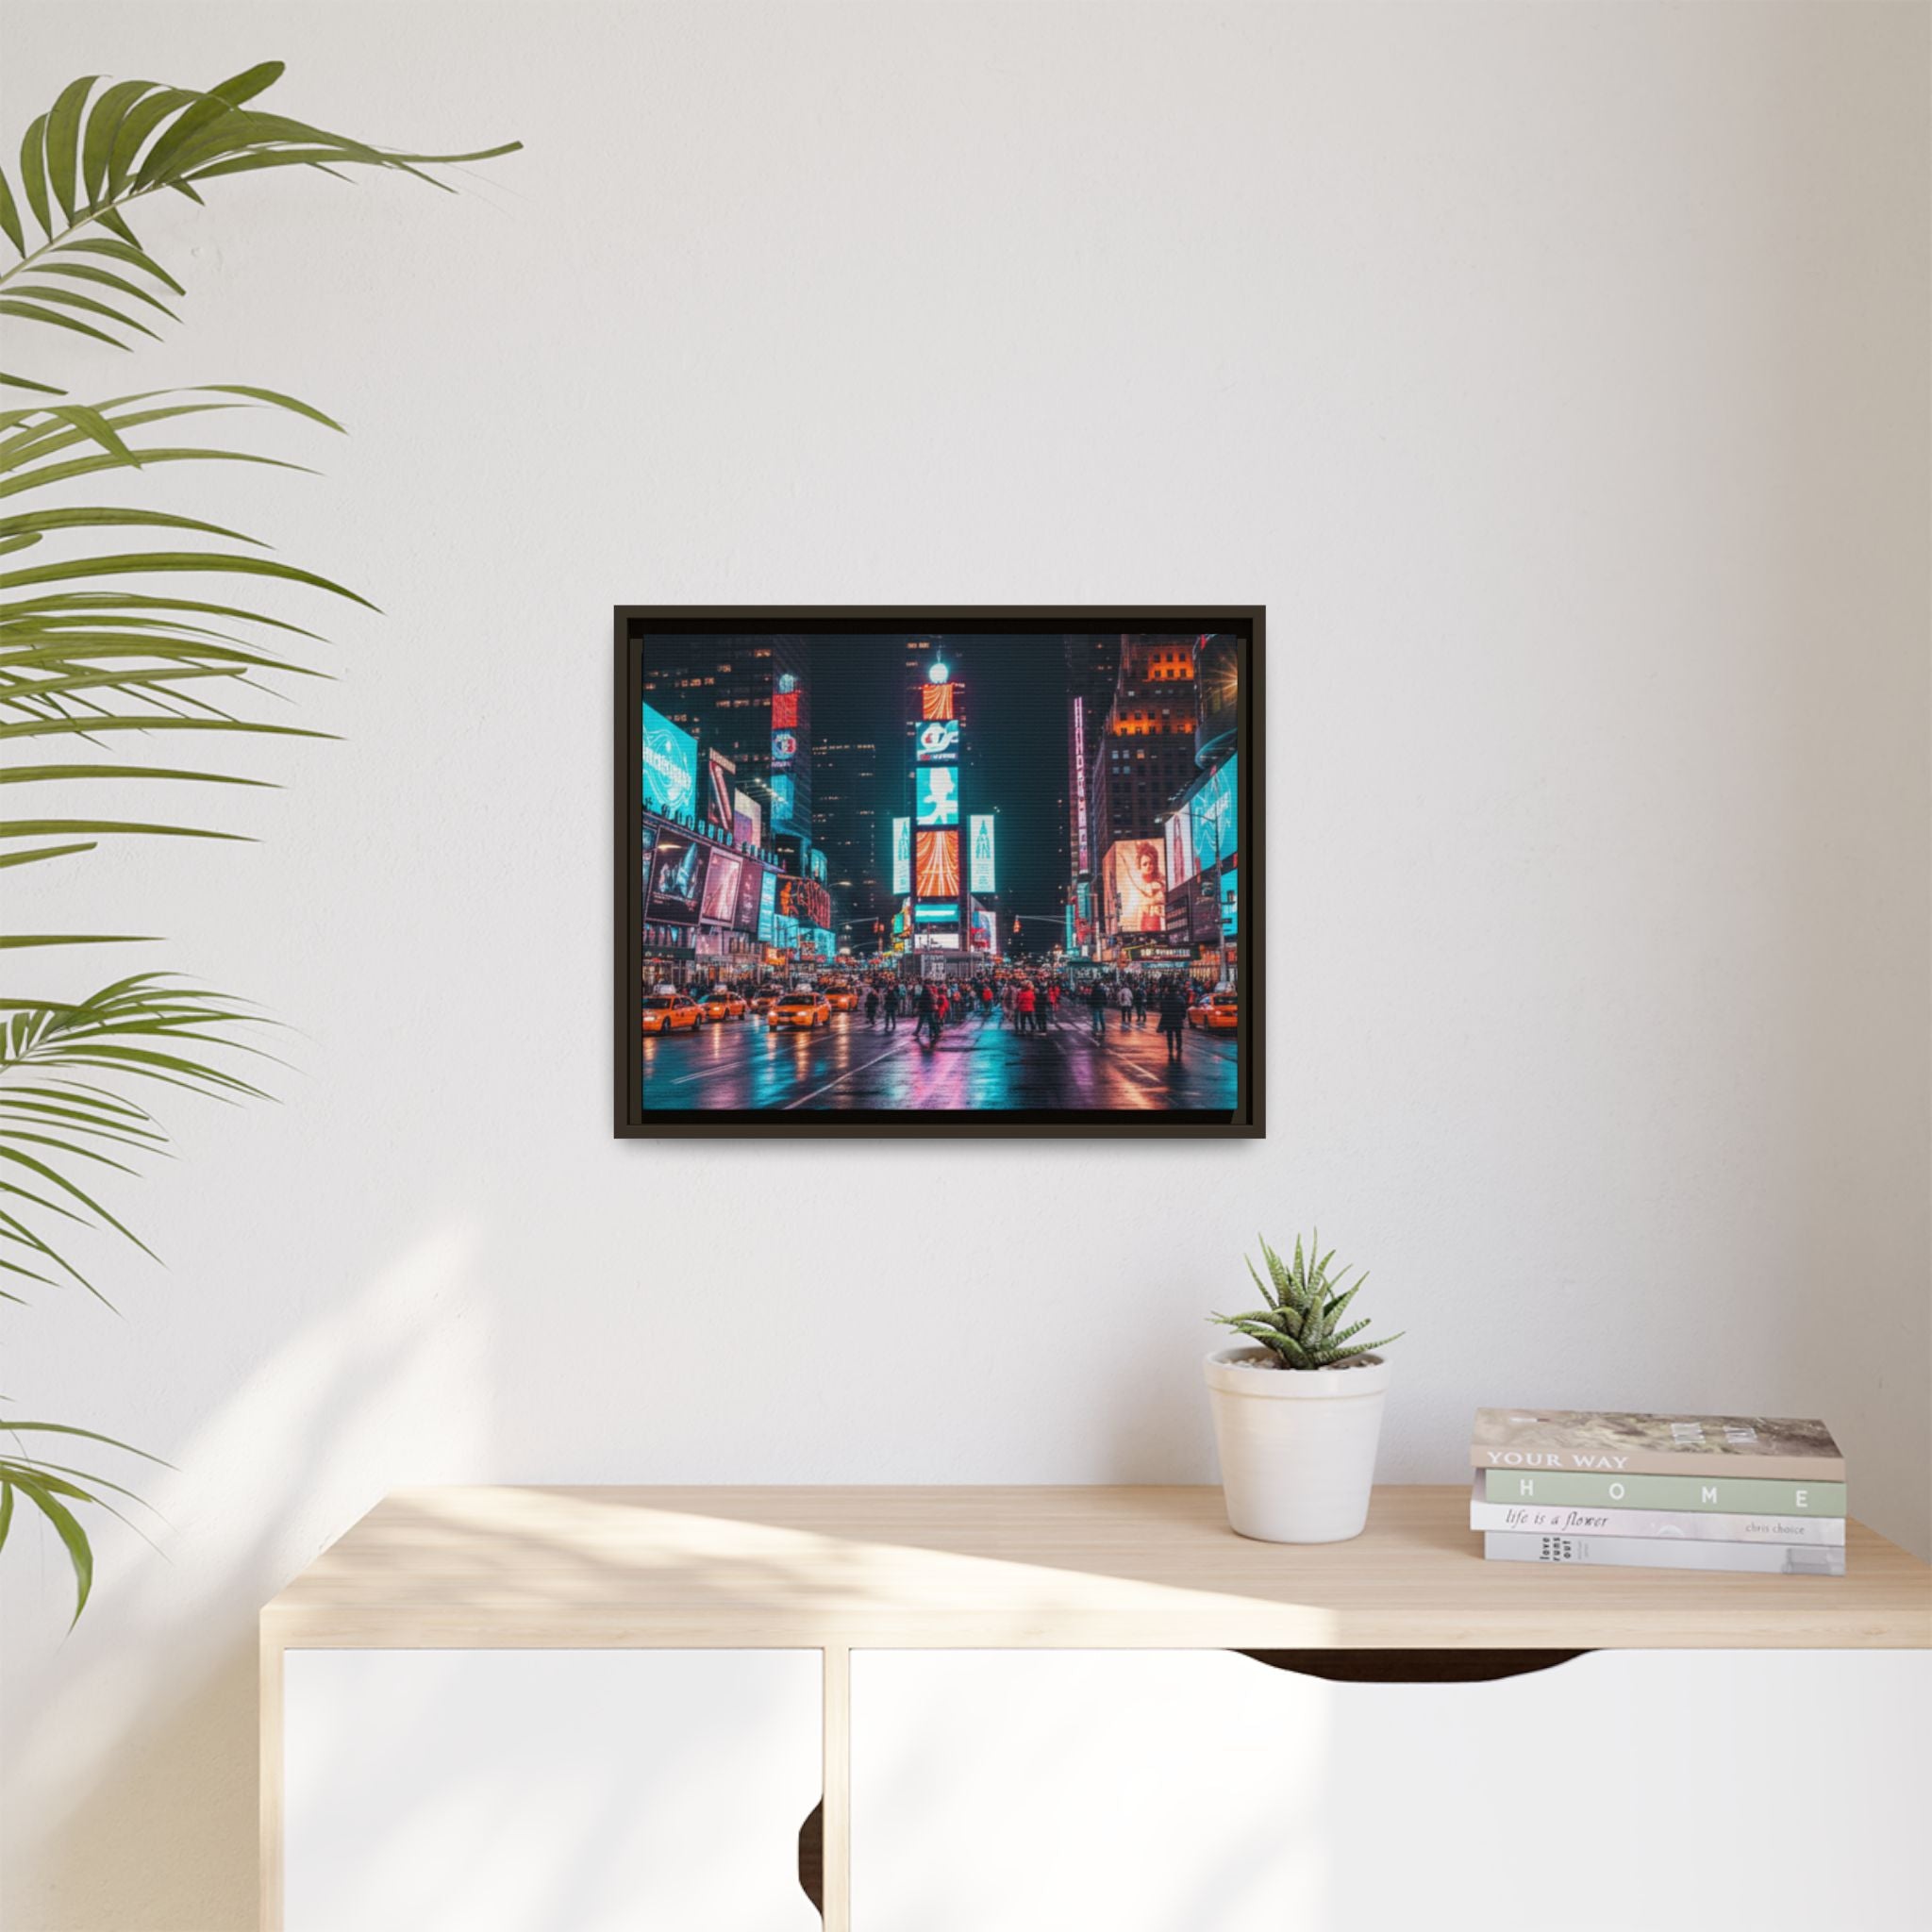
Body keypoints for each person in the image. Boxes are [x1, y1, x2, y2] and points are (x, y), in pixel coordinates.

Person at [1158, 977, 1190, 1062]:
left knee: (1169, 1035)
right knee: (1178, 1035)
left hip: (1168, 1020)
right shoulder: (1180, 999)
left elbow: (1161, 1010)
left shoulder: (1165, 999)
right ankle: (1179, 1047)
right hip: (1178, 1020)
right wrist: (1182, 1016)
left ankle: (1170, 1048)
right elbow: (1184, 1010)